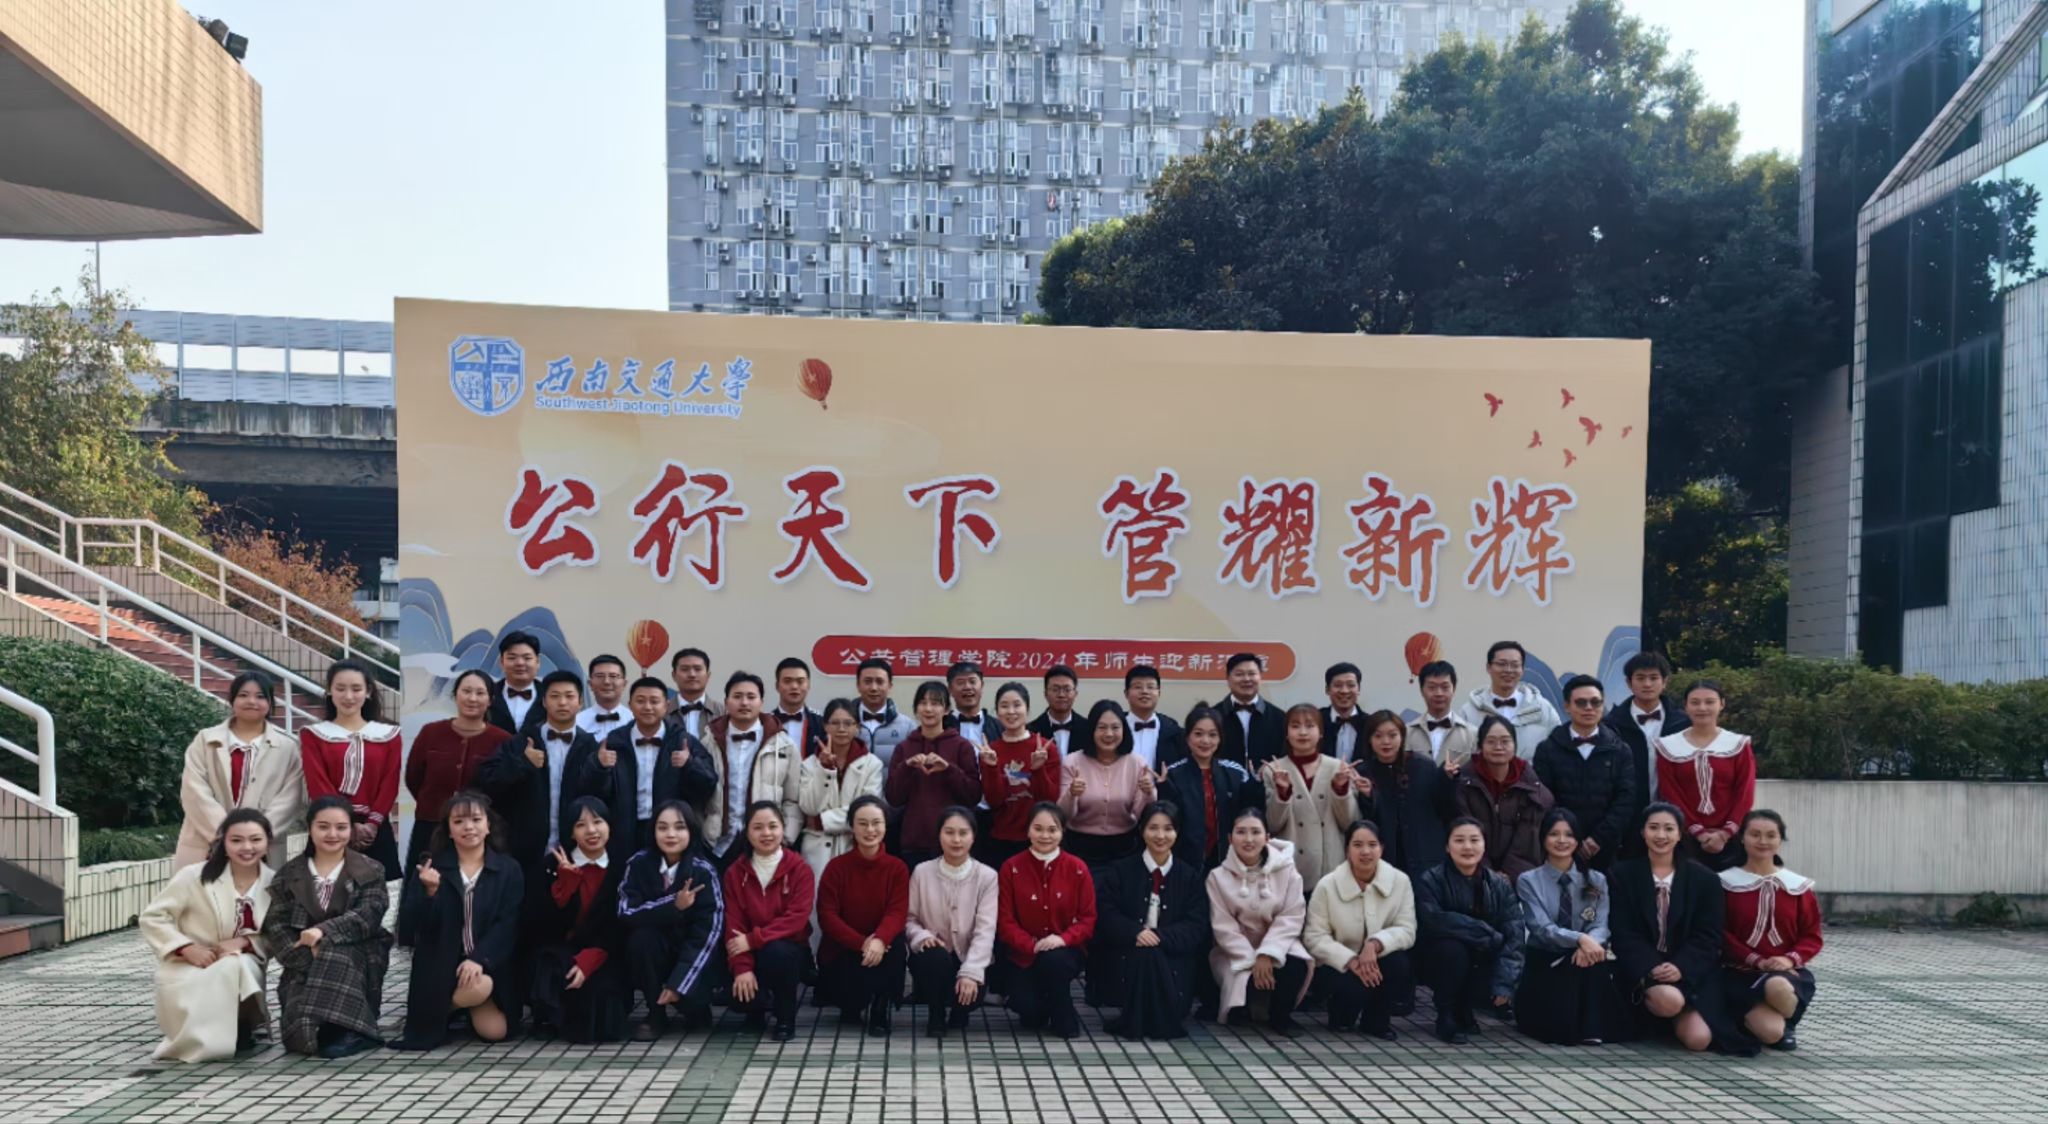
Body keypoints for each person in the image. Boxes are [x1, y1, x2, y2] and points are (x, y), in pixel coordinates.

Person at [140, 808, 276, 1061]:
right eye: (237, 840)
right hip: (190, 963)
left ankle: (240, 1024)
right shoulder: (194, 876)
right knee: (226, 969)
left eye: (255, 839)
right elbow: (153, 917)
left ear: (268, 842)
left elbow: (278, 934)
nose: (247, 847)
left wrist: (246, 942)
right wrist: (185, 947)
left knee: (236, 964)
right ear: (224, 843)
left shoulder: (276, 884)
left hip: (243, 963)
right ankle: (208, 1036)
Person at [392, 790, 523, 1051]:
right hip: (440, 964)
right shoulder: (431, 867)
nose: (468, 827)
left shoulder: (508, 869)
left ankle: (448, 1009)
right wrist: (429, 893)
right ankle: (438, 1014)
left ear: (488, 826)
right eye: (459, 821)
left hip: (484, 965)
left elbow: (507, 923)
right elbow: (413, 923)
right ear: (449, 830)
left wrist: (479, 958)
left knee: (495, 1030)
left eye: (476, 819)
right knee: (474, 991)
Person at [262, 795, 391, 1058]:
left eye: (341, 827)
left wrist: (324, 932)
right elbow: (276, 926)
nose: (332, 834)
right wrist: (308, 956)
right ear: (309, 828)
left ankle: (353, 1031)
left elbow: (368, 915)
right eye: (323, 826)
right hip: (303, 962)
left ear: (351, 829)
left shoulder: (371, 869)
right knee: (301, 1037)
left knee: (335, 953)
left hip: (359, 958)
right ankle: (346, 1028)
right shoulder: (288, 875)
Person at [401, 669, 512, 947]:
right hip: (431, 824)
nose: (472, 698)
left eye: (480, 693)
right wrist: (438, 809)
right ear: (455, 695)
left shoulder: (502, 740)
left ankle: (469, 941)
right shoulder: (430, 732)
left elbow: (504, 786)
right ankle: (416, 939)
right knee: (424, 880)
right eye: (466, 691)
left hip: (478, 831)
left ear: (490, 700)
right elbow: (414, 777)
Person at [1610, 802, 1724, 1052]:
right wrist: (1651, 966)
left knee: (1698, 1040)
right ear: (1642, 832)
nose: (1660, 835)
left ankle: (1669, 1017)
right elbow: (1622, 932)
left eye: (1668, 829)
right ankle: (1654, 1010)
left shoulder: (1705, 879)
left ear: (1680, 833)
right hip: (1643, 968)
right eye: (1653, 828)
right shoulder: (1622, 874)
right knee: (1668, 1000)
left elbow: (1708, 935)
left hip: (1689, 971)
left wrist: (1680, 967)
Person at [477, 670, 595, 905]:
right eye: (555, 696)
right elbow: (487, 782)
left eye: (569, 696)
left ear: (580, 702)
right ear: (544, 702)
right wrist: (522, 762)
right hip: (524, 850)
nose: (562, 702)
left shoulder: (591, 746)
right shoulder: (521, 741)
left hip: (574, 849)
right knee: (523, 911)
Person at [1096, 802, 1210, 1039]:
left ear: (1177, 832)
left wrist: (1159, 937)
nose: (1160, 836)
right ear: (1141, 830)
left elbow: (1196, 925)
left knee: (1152, 952)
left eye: (1168, 829)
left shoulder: (1189, 876)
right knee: (1145, 954)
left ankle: (1138, 1022)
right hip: (1129, 956)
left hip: (1172, 960)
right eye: (1153, 828)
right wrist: (1135, 932)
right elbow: (1106, 913)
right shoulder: (1120, 870)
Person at [174, 671, 303, 872]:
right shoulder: (206, 740)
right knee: (201, 890)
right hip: (207, 844)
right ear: (232, 700)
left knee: (258, 892)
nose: (251, 701)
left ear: (270, 703)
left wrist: (255, 836)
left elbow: (290, 798)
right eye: (243, 695)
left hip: (262, 851)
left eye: (260, 696)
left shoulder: (287, 748)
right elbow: (194, 790)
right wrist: (225, 833)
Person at [524, 797, 628, 1042]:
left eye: (598, 822)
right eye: (581, 825)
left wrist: (591, 958)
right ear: (570, 832)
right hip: (561, 948)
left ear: (609, 826)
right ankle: (545, 1018)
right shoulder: (552, 865)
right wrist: (565, 887)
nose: (591, 830)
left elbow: (621, 924)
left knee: (602, 1015)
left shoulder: (623, 866)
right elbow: (537, 925)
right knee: (549, 964)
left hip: (603, 949)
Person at [1516, 807, 1622, 1045]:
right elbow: (1541, 928)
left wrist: (1589, 943)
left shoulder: (1596, 880)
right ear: (1543, 838)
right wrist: (1580, 939)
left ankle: (1593, 1028)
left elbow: (1600, 924)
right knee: (1560, 1030)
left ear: (1578, 840)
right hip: (1546, 959)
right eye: (1554, 834)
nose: (1562, 840)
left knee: (1593, 964)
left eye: (1569, 834)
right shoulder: (1528, 880)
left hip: (1586, 959)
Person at [619, 800, 724, 1040]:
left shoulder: (704, 871)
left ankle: (694, 1007)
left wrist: (679, 983)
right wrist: (673, 906)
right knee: (641, 939)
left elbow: (708, 936)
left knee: (695, 1012)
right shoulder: (638, 864)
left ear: (691, 831)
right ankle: (655, 1014)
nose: (671, 834)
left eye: (679, 827)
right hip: (657, 953)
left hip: (692, 961)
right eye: (662, 827)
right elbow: (626, 912)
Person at [1303, 820, 1417, 1039]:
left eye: (1372, 845)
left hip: (1378, 959)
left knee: (1399, 963)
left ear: (1381, 848)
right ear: (1347, 850)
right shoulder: (1327, 885)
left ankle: (1376, 1020)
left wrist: (1375, 944)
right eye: (1357, 845)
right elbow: (1314, 937)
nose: (1365, 851)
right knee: (1349, 993)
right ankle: (1341, 1013)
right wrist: (1351, 961)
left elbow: (1407, 929)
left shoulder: (1400, 881)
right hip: (1339, 964)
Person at [1719, 810, 1822, 1052]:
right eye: (1755, 834)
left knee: (1778, 987)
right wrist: (1755, 959)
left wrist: (1788, 960)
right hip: (1738, 972)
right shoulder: (1724, 883)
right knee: (1771, 1033)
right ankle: (1748, 1019)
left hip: (1784, 973)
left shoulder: (1798, 887)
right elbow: (1719, 932)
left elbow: (1811, 935)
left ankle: (1787, 1022)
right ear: (1742, 838)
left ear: (1780, 839)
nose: (1762, 841)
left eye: (1770, 835)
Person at [1414, 818, 1525, 1043]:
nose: (1467, 847)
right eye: (1459, 840)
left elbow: (1515, 934)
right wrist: (1487, 934)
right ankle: (1446, 1014)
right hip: (1439, 960)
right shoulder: (1431, 880)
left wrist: (1504, 984)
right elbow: (1433, 920)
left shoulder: (1500, 884)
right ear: (1447, 846)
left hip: (1483, 961)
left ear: (1484, 845)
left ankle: (1466, 1007)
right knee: (1452, 949)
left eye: (1474, 840)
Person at [580, 676, 716, 860]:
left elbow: (708, 787)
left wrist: (690, 765)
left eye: (654, 701)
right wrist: (600, 767)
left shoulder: (682, 741)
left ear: (666, 706)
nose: (647, 707)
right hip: (624, 832)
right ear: (630, 705)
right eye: (641, 701)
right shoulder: (613, 742)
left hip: (671, 831)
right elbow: (590, 792)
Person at [995, 802, 1097, 1038]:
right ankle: (1043, 1006)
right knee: (1027, 1011)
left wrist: (1062, 939)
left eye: (1052, 829)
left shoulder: (1077, 868)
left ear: (1062, 832)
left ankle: (1064, 1017)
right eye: (1038, 829)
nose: (1045, 836)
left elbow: (1087, 919)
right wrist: (1031, 944)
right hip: (1024, 952)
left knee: (1053, 962)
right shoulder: (1011, 868)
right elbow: (1005, 921)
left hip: (1065, 950)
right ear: (1028, 830)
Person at [1205, 810, 1310, 1030]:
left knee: (1295, 964)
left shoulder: (1288, 870)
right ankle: (1242, 1009)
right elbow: (1224, 928)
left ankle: (1280, 1015)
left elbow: (1291, 916)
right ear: (1230, 838)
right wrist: (1253, 958)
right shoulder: (1217, 877)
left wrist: (1268, 953)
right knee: (1240, 975)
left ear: (1267, 837)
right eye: (1241, 832)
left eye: (1255, 832)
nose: (1249, 839)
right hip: (1236, 950)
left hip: (1280, 943)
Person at [815, 795, 911, 1036]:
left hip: (882, 947)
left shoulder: (897, 868)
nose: (870, 830)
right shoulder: (836, 868)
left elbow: (897, 912)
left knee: (896, 944)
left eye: (876, 823)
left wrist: (879, 939)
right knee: (850, 1007)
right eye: (863, 823)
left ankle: (880, 1008)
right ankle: (851, 1003)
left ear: (886, 825)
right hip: (845, 948)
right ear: (852, 826)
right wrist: (862, 943)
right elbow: (827, 916)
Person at [721, 800, 816, 1041]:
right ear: (747, 832)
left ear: (783, 829)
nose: (766, 833)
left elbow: (796, 919)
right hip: (748, 949)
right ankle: (755, 1013)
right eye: (758, 827)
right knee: (738, 996)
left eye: (773, 826)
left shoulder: (800, 869)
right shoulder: (735, 873)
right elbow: (734, 924)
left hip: (788, 949)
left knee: (777, 952)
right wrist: (742, 968)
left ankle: (785, 1018)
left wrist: (754, 939)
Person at [300, 659, 403, 878]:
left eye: (356, 689)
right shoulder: (313, 734)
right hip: (330, 827)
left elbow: (390, 782)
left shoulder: (389, 735)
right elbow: (317, 783)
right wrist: (346, 823)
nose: (348, 696)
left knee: (384, 892)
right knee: (326, 891)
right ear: (330, 691)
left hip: (375, 829)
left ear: (368, 692)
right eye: (340, 688)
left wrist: (372, 824)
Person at [904, 806, 1000, 1038]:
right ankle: (936, 1014)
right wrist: (922, 937)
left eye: (963, 833)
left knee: (969, 992)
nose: (956, 840)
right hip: (933, 958)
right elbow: (909, 919)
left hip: (968, 955)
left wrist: (971, 971)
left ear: (973, 836)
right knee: (933, 957)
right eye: (949, 832)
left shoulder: (987, 876)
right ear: (939, 835)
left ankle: (960, 1010)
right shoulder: (922, 872)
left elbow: (986, 930)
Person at [1532, 675, 1635, 873]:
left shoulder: (1620, 750)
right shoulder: (1547, 749)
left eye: (1595, 702)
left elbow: (1625, 800)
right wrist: (1568, 838)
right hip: (1560, 847)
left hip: (1606, 849)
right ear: (1567, 706)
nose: (1589, 708)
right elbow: (1544, 800)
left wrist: (1598, 839)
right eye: (1581, 702)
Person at [1656, 681, 1756, 872]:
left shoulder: (1738, 744)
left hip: (1732, 838)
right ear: (1686, 706)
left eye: (1710, 702)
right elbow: (1670, 792)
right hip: (1684, 837)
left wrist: (1725, 833)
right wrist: (1697, 831)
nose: (1702, 708)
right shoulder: (1668, 746)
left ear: (1722, 704)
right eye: (1695, 702)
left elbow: (1745, 792)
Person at [702, 671, 802, 861]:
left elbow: (793, 799)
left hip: (766, 844)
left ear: (761, 702)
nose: (744, 703)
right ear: (726, 702)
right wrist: (704, 834)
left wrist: (785, 837)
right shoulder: (709, 741)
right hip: (718, 844)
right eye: (737, 696)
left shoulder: (784, 745)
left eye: (751, 697)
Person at [1262, 704, 1364, 891]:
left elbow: (1350, 823)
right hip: (1290, 870)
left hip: (1330, 870)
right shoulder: (1274, 770)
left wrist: (1341, 790)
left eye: (1310, 726)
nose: (1303, 732)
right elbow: (1272, 825)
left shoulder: (1338, 768)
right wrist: (1282, 793)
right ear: (1286, 733)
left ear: (1321, 732)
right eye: (1295, 726)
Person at [885, 680, 984, 868]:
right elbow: (893, 797)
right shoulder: (904, 747)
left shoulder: (961, 746)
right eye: (923, 703)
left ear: (946, 710)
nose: (928, 709)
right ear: (916, 709)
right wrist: (907, 767)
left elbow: (973, 796)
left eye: (936, 703)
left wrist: (948, 769)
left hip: (954, 842)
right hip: (914, 841)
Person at [1602, 652, 1690, 858]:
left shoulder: (1684, 723)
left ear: (1665, 682)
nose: (1647, 684)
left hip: (1675, 818)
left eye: (1653, 678)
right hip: (1627, 820)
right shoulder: (1611, 725)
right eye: (1640, 678)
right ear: (1629, 683)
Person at [1453, 715, 1555, 880]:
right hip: (1473, 874)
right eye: (1491, 741)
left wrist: (1507, 877)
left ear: (1515, 746)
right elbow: (1464, 834)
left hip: (1520, 877)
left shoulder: (1532, 790)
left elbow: (1526, 845)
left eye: (1505, 741)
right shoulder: (1464, 784)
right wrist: (1488, 875)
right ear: (1480, 746)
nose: (1498, 747)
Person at [1161, 705, 1263, 869]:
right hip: (1184, 864)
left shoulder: (1235, 773)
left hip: (1228, 862)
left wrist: (1257, 784)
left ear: (1220, 738)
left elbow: (1251, 812)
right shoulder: (1173, 775)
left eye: (1212, 735)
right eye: (1198, 734)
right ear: (1187, 737)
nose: (1205, 741)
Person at [1354, 710, 1455, 874]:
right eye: (1378, 736)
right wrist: (1368, 796)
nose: (1386, 742)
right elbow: (1362, 819)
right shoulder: (1362, 772)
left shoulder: (1423, 766)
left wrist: (1447, 779)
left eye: (1392, 735)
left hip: (1424, 854)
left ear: (1402, 737)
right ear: (1369, 739)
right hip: (1384, 858)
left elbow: (1443, 807)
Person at [1059, 699, 1154, 871]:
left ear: (1124, 730)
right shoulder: (1072, 762)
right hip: (1080, 847)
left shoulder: (1137, 763)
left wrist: (1149, 792)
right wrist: (1071, 794)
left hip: (1125, 847)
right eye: (1102, 727)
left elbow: (1142, 814)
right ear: (1091, 730)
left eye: (1115, 727)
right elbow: (1063, 815)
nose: (1109, 734)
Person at [798, 699, 887, 880]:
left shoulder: (872, 765)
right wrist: (824, 770)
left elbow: (866, 811)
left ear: (857, 727)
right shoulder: (809, 764)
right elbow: (809, 807)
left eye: (848, 723)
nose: (841, 729)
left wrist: (821, 822)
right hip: (817, 850)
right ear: (825, 726)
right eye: (835, 723)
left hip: (855, 845)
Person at [978, 682, 1061, 866]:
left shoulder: (1045, 748)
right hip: (1001, 838)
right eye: (1004, 706)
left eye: (1017, 705)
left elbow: (1049, 800)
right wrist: (991, 767)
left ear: (1027, 710)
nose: (1011, 711)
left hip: (1039, 838)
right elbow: (994, 801)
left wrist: (1038, 769)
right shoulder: (990, 751)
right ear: (997, 712)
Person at [1455, 641, 1560, 760]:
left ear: (1522, 670)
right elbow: (1460, 755)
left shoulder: (1543, 709)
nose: (1508, 670)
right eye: (1501, 664)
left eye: (1515, 665)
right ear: (1488, 667)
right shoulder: (1469, 711)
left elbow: (1558, 750)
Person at [1217, 653, 1286, 770]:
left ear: (1260, 677)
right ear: (1228, 679)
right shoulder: (1213, 717)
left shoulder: (1279, 717)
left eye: (1252, 674)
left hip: (1266, 781)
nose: (1246, 679)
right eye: (1239, 674)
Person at [1405, 660, 1476, 768]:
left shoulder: (1472, 734)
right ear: (1421, 690)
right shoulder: (1407, 733)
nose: (1439, 693)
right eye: (1432, 687)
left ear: (1454, 689)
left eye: (1445, 687)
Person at [853, 657, 916, 767]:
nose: (873, 688)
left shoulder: (907, 727)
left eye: (880, 682)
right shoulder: (843, 723)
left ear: (890, 686)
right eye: (867, 682)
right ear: (858, 686)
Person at [1122, 664, 1185, 770]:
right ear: (1126, 693)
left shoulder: (1172, 729)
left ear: (1159, 693)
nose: (1145, 691)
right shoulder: (1115, 726)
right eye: (1138, 687)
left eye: (1150, 687)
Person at [487, 630, 547, 739]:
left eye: (527, 658)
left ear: (538, 662)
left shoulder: (549, 695)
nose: (520, 663)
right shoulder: (487, 694)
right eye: (512, 658)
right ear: (501, 662)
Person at [666, 647, 724, 739]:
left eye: (698, 669)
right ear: (674, 675)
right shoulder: (662, 712)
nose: (692, 674)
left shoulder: (723, 713)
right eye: (685, 669)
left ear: (708, 676)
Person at [770, 657, 823, 757]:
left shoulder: (821, 722)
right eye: (787, 681)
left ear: (808, 685)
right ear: (777, 686)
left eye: (800, 681)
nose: (794, 686)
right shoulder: (765, 723)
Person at [1026, 665, 1084, 755]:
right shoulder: (1030, 731)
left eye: (1067, 689)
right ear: (1045, 694)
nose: (1061, 695)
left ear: (1075, 694)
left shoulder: (1088, 728)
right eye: (1055, 689)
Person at [576, 654, 633, 745]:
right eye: (599, 676)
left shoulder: (634, 721)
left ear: (624, 684)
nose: (606, 681)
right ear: (590, 684)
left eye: (613, 676)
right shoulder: (577, 723)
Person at [1319, 662, 1368, 761]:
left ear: (1358, 689)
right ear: (1327, 689)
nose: (1344, 691)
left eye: (1350, 685)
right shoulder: (1315, 720)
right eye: (1338, 685)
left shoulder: (1371, 723)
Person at [944, 660, 1001, 745]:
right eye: (960, 683)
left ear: (982, 686)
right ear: (950, 689)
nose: (967, 687)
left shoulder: (998, 726)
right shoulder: (942, 725)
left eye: (972, 682)